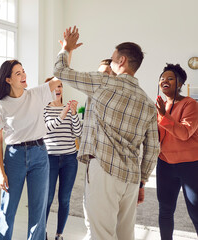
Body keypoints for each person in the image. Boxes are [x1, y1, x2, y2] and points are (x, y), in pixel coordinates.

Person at [53, 26, 160, 240]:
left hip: (104, 170)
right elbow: (153, 149)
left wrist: (66, 48)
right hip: (130, 177)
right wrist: (142, 182)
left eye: (112, 59)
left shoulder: (104, 83)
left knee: (100, 234)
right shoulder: (148, 103)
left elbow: (60, 71)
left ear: (121, 61)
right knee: (125, 234)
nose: (110, 63)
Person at [0, 60, 62, 240]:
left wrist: (67, 50)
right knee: (7, 209)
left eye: (23, 71)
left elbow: (59, 77)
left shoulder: (36, 94)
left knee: (38, 211)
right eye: (18, 73)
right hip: (14, 157)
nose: (24, 76)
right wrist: (1, 172)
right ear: (7, 79)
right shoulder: (1, 105)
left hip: (39, 154)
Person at [156, 63, 198, 239]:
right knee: (165, 210)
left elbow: (184, 133)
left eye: (170, 78)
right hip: (165, 164)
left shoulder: (191, 104)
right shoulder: (160, 106)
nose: (164, 81)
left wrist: (164, 116)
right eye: (162, 79)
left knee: (195, 212)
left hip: (190, 166)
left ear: (179, 84)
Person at [43, 77, 82, 240]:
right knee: (48, 198)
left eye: (60, 86)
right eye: (54, 86)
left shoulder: (69, 109)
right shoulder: (44, 109)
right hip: (49, 159)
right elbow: (45, 130)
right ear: (47, 90)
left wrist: (73, 113)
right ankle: (41, 232)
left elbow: (78, 133)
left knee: (64, 199)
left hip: (69, 159)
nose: (58, 89)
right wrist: (62, 114)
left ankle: (59, 234)